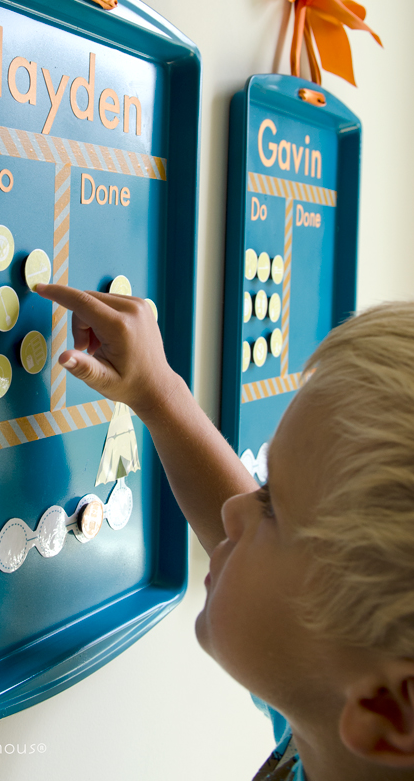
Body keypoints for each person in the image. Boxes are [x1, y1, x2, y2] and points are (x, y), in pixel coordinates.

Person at [36, 283, 414, 781]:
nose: (236, 507)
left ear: (387, 712)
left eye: (271, 507)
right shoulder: (332, 719)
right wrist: (158, 394)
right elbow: (261, 568)